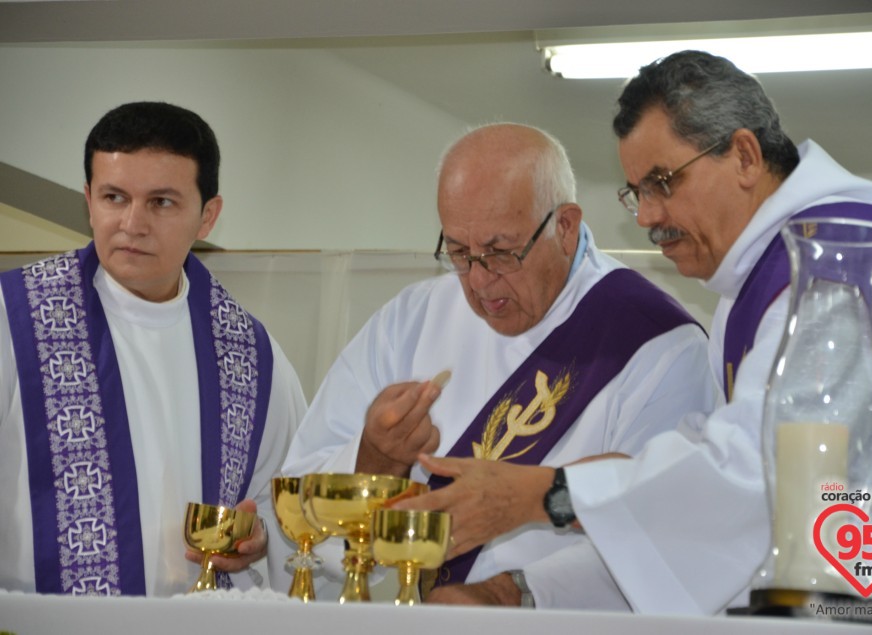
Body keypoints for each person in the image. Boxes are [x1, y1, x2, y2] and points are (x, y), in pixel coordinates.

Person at [394, 51, 872, 633]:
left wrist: (545, 493)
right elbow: (693, 524)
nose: (645, 216)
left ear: (743, 155)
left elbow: (756, 483)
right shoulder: (762, 282)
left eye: (662, 183)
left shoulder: (842, 266)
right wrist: (518, 593)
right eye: (636, 191)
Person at [282, 122, 718, 608]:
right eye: (459, 252)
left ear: (566, 226)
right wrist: (377, 460)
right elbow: (298, 522)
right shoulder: (415, 318)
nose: (479, 281)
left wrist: (515, 595)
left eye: (501, 252)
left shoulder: (656, 344)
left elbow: (665, 530)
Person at [0, 101, 307, 597]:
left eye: (161, 202)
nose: (132, 223)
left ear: (208, 216)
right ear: (88, 199)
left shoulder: (251, 355)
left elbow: (283, 505)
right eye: (114, 197)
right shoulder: (13, 320)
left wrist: (260, 538)